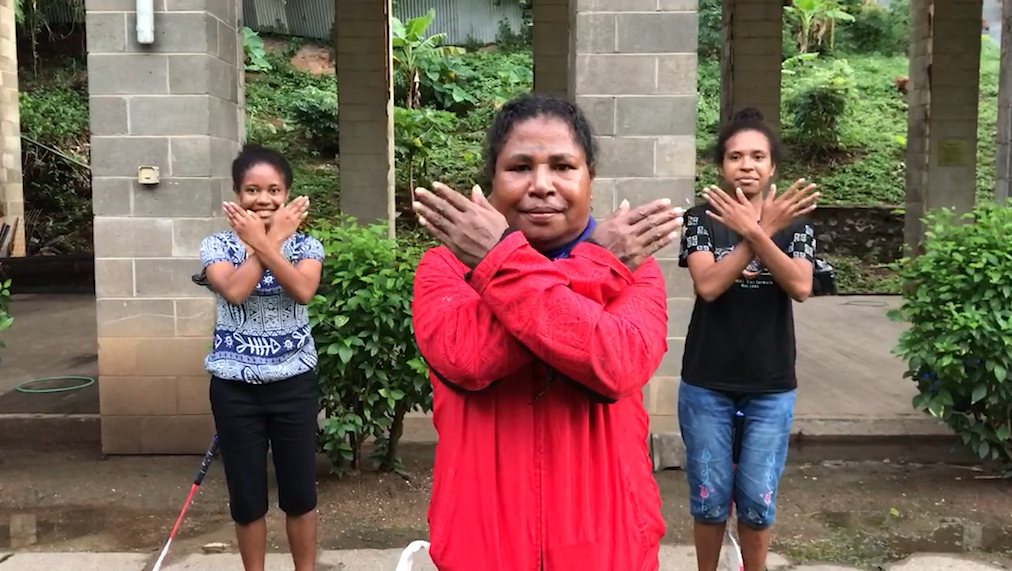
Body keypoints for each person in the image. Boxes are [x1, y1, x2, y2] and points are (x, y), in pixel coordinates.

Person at [410, 93, 684, 571]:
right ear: (491, 181)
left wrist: (500, 265)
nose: (541, 185)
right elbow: (469, 358)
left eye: (562, 165)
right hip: (482, 549)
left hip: (609, 545)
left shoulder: (636, 270)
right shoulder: (444, 269)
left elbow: (615, 363)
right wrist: (595, 267)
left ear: (590, 179)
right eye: (519, 167)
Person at [677, 107, 820, 571]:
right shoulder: (701, 220)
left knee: (758, 505)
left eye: (758, 156)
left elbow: (800, 286)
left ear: (772, 166)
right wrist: (759, 233)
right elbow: (710, 285)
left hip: (771, 382)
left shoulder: (795, 222)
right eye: (736, 156)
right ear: (722, 165)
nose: (747, 165)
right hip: (707, 380)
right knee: (709, 500)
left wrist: (762, 230)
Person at [195, 143, 324, 571]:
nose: (263, 200)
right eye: (252, 190)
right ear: (236, 194)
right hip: (235, 390)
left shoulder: (307, 246)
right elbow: (234, 290)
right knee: (247, 497)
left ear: (287, 195)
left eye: (273, 190)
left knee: (300, 493)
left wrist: (272, 241)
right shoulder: (215, 247)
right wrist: (266, 243)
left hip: (294, 385)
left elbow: (302, 290)